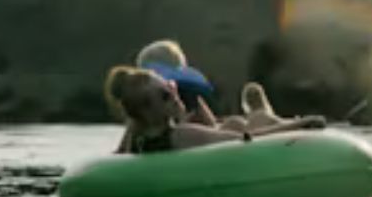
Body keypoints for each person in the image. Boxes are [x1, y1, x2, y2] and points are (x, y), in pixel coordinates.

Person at [106, 65, 322, 155]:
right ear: (146, 112)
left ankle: (260, 111)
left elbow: (116, 156)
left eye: (171, 87)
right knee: (243, 123)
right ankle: (262, 112)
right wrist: (299, 125)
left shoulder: (136, 136)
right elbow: (245, 138)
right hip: (236, 137)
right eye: (164, 95)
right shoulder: (181, 135)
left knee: (234, 122)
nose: (174, 95)